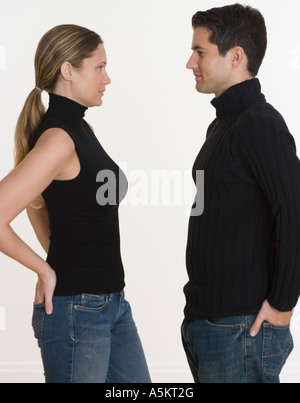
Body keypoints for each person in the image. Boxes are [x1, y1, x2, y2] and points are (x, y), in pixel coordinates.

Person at [0, 24, 151, 383]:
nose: (107, 78)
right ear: (69, 70)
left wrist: (56, 254)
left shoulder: (82, 131)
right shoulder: (58, 139)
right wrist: (46, 268)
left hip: (112, 304)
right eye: (99, 67)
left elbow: (39, 201)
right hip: (77, 310)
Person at [182, 4, 300, 383]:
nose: (190, 62)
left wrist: (283, 303)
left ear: (236, 56)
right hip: (212, 323)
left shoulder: (260, 123)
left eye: (200, 51)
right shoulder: (222, 127)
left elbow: (294, 212)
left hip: (241, 327)